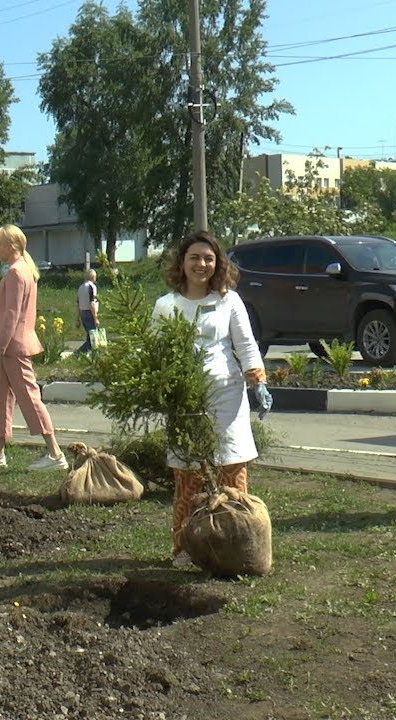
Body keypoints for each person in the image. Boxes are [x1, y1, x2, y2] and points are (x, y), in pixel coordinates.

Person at [153, 231, 270, 565]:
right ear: (182, 263)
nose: (201, 265)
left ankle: (240, 544)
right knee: (188, 476)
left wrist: (256, 380)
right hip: (185, 400)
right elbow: (155, 351)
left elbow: (245, 344)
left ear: (217, 264)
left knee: (232, 468)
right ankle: (185, 547)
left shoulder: (228, 301)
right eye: (194, 258)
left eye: (208, 258)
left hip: (226, 396)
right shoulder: (166, 305)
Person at [0, 224, 68, 472]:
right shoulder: (22, 270)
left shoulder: (16, 272)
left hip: (14, 347)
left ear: (11, 246)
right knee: (1, 398)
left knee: (30, 398)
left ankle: (55, 453)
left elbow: (11, 315)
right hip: (11, 346)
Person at [74, 268, 100, 356]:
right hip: (90, 313)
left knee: (90, 336)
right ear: (93, 276)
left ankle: (90, 355)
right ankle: (79, 353)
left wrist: (77, 318)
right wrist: (95, 317)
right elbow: (92, 302)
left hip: (82, 313)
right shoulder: (91, 287)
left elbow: (78, 303)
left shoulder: (80, 287)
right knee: (93, 338)